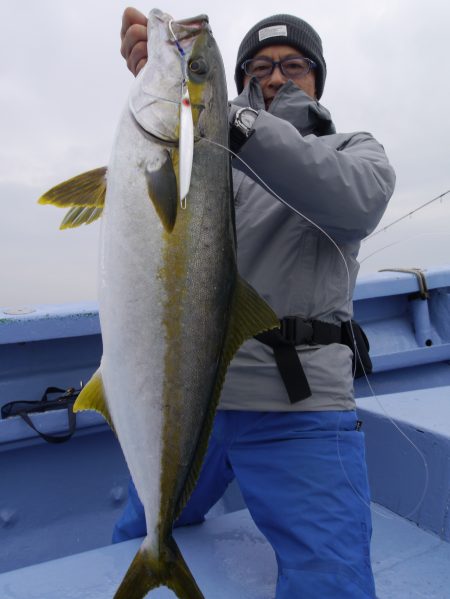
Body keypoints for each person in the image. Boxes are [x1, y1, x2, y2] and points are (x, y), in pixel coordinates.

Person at [115, 8, 396, 599]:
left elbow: (356, 199)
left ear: (319, 80)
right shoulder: (208, 152)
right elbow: (152, 175)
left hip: (301, 411)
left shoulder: (352, 150)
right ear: (241, 76)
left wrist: (223, 110)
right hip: (203, 404)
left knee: (331, 583)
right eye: (261, 66)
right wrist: (162, 79)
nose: (276, 78)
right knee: (133, 531)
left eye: (294, 66)